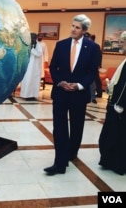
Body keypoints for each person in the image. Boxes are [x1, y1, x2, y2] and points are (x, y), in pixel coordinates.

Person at [44, 14, 100, 175]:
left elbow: (92, 72)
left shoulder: (93, 48)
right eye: (72, 26)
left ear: (84, 30)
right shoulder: (61, 45)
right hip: (61, 93)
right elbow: (54, 67)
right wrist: (60, 82)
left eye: (77, 27)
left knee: (76, 127)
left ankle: (72, 153)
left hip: (78, 95)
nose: (73, 29)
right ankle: (59, 163)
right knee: (59, 127)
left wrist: (80, 85)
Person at [99, 31, 126, 175]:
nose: (120, 44)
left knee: (118, 136)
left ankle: (117, 163)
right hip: (117, 103)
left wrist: (120, 103)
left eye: (122, 42)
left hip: (120, 107)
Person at [20, 33, 44, 100]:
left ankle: (33, 95)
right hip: (27, 67)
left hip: (35, 67)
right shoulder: (27, 45)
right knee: (27, 80)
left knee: (34, 81)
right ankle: (25, 95)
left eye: (34, 37)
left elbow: (39, 54)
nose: (32, 39)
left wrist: (32, 49)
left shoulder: (39, 45)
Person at [87, 34, 103, 103]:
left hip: (91, 67)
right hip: (92, 67)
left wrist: (98, 65)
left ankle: (93, 97)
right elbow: (99, 56)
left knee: (93, 82)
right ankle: (94, 96)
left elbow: (98, 56)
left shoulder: (94, 46)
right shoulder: (96, 46)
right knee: (94, 82)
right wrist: (99, 65)